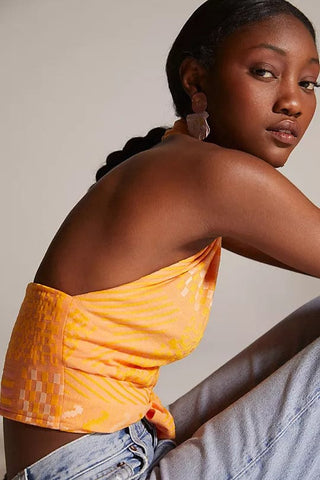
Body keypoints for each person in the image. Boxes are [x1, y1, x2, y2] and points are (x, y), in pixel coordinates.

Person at [1, 0, 320, 478]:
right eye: (264, 72)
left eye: (309, 82)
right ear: (196, 82)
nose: (292, 101)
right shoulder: (216, 176)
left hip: (117, 449)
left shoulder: (176, 164)